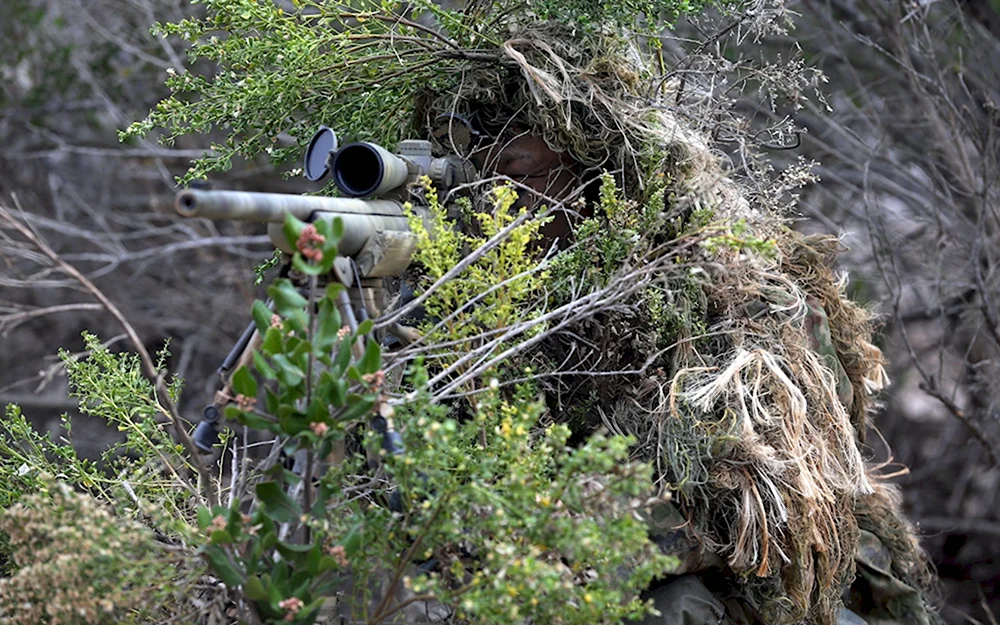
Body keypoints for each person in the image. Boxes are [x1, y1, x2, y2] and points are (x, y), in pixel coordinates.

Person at [421, 79, 941, 625]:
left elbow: (772, 507)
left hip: (736, 581)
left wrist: (579, 548)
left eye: (522, 175)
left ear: (599, 181)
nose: (499, 203)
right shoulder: (462, 302)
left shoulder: (739, 302)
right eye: (480, 179)